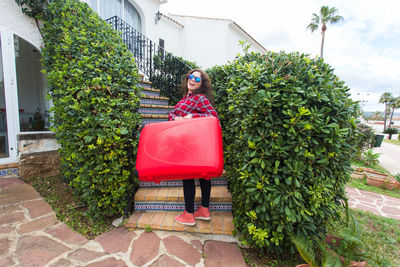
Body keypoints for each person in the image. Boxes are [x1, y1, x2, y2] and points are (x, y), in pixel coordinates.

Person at [168, 69, 219, 226]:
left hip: (195, 142)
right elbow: (172, 114)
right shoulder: (185, 98)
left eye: (197, 79)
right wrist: (175, 118)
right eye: (191, 77)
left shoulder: (200, 98)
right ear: (187, 79)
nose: (193, 80)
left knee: (191, 176)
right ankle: (204, 210)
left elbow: (213, 117)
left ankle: (189, 214)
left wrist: (192, 116)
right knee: (202, 175)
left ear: (202, 83)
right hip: (187, 142)